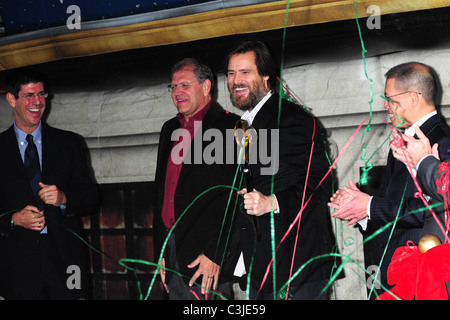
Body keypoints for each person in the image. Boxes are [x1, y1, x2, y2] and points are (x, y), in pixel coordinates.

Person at [225, 41, 337, 300]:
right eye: (231, 74)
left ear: (266, 75)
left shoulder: (291, 118)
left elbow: (320, 183)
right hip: (261, 268)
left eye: (245, 72)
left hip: (295, 268)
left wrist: (272, 202)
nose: (236, 80)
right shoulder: (243, 125)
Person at [328, 62, 450, 294]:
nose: (385, 105)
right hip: (397, 274)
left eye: (390, 98)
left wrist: (370, 205)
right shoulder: (405, 141)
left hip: (426, 280)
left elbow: (433, 210)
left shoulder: (442, 141)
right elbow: (394, 207)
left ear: (413, 98)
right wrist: (361, 210)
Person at [0, 69, 100, 299]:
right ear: (11, 99)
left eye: (41, 94)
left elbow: (92, 196)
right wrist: (13, 219)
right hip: (16, 263)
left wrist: (65, 198)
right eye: (29, 95)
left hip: (67, 259)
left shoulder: (69, 143)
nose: (37, 102)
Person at [152, 58, 240, 300]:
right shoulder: (169, 129)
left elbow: (236, 200)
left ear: (206, 86)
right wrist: (160, 251)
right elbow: (161, 192)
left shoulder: (232, 127)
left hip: (206, 255)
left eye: (185, 85)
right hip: (170, 252)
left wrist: (217, 253)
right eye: (173, 87)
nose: (177, 92)